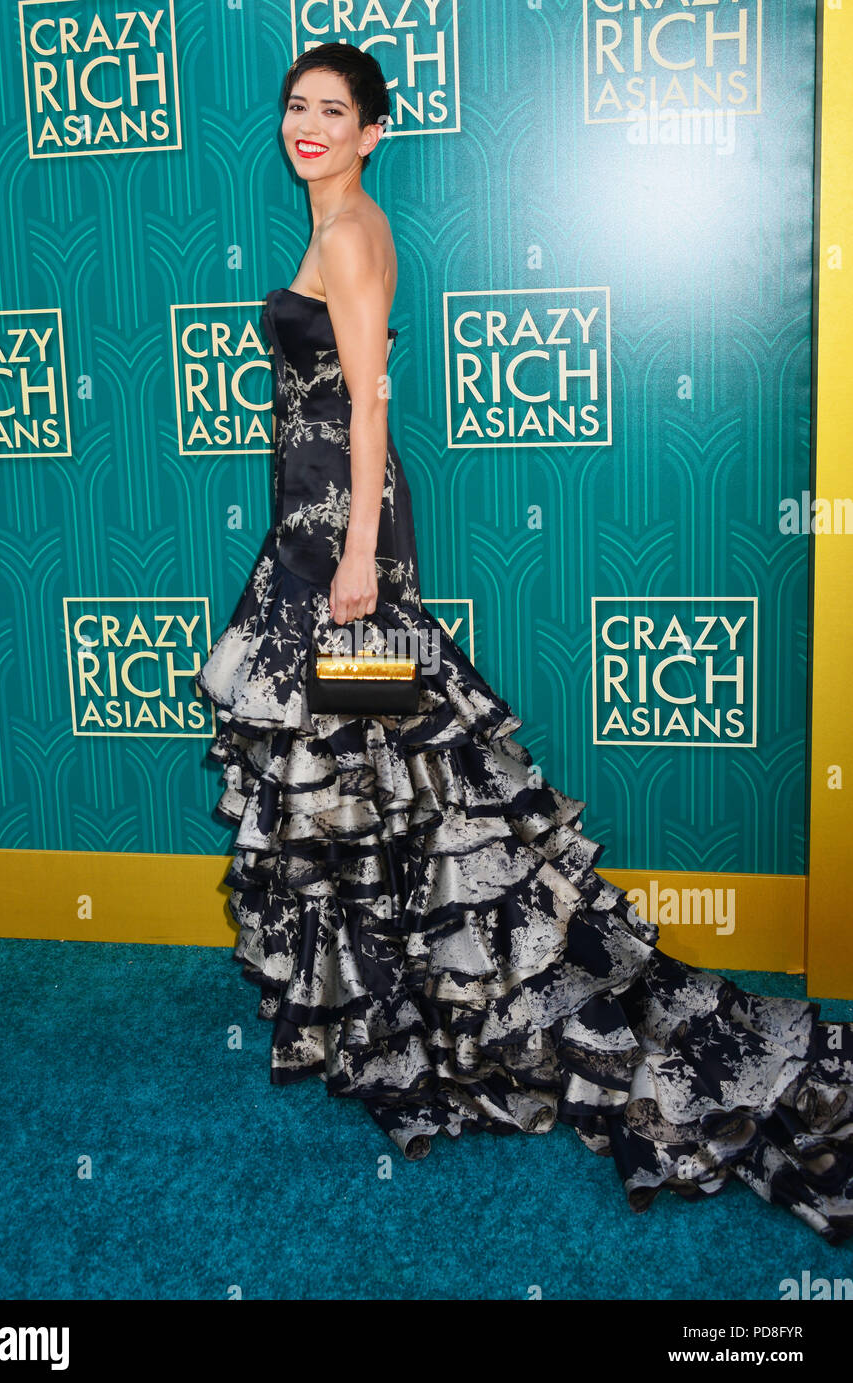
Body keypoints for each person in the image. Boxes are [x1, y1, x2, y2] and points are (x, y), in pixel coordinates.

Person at [195, 42, 853, 1245]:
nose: (307, 125)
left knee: (368, 766)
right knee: (373, 770)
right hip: (317, 519)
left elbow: (369, 401)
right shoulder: (349, 219)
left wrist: (351, 558)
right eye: (294, 105)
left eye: (331, 111)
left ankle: (419, 1004)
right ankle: (404, 995)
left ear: (372, 130)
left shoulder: (346, 235)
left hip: (334, 530)